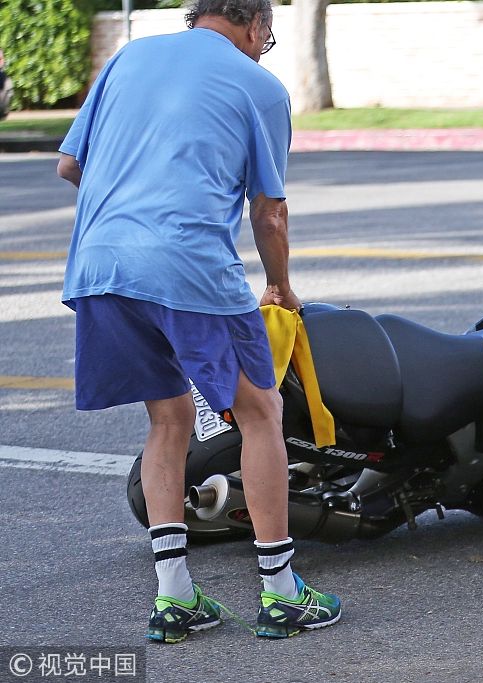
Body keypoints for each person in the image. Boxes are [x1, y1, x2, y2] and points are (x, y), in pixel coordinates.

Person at [56, 0, 341, 642]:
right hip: (187, 269)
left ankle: (175, 600)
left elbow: (70, 165)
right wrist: (280, 286)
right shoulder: (260, 86)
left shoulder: (129, 57)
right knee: (260, 412)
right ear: (257, 25)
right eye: (268, 34)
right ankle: (281, 593)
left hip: (101, 265)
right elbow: (269, 213)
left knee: (169, 418)